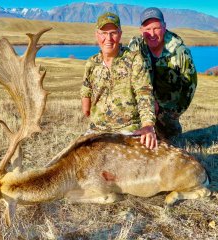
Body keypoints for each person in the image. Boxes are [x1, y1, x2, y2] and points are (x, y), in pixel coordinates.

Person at [80, 12, 157, 149]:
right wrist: (86, 108)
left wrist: (148, 126)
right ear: (97, 35)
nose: (108, 38)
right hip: (97, 130)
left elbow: (144, 93)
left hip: (129, 129)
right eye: (103, 33)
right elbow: (86, 89)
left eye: (113, 33)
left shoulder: (134, 59)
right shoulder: (91, 63)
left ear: (120, 34)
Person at [128, 7, 197, 139]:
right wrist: (146, 103)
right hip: (142, 107)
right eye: (147, 29)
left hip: (167, 111)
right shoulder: (135, 48)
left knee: (172, 146)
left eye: (156, 28)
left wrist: (174, 113)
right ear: (141, 30)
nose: (152, 34)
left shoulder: (181, 52)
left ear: (164, 27)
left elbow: (190, 86)